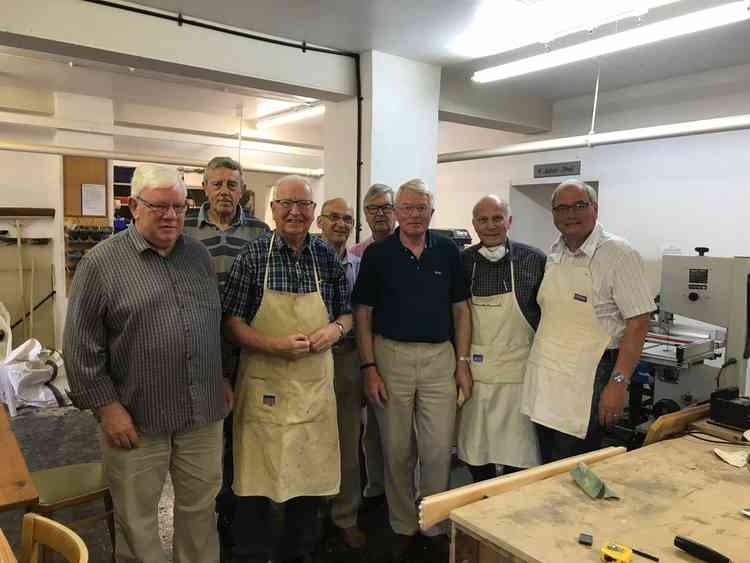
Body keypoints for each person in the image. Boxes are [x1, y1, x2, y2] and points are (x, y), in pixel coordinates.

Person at [64, 164, 231, 563]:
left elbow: (213, 324)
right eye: (159, 206)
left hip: (201, 413)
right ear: (133, 207)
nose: (172, 216)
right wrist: (107, 409)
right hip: (136, 418)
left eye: (179, 206)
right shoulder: (100, 263)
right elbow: (79, 347)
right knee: (137, 520)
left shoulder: (199, 257)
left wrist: (222, 376)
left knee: (200, 512)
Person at [223, 175, 353, 563]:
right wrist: (272, 345)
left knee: (308, 486)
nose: (295, 211)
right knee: (258, 486)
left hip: (313, 387)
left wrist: (334, 330)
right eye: (286, 204)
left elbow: (346, 313)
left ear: (314, 212)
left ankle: (300, 553)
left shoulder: (325, 256)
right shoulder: (253, 257)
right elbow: (231, 322)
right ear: (273, 209)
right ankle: (254, 554)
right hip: (265, 385)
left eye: (304, 204)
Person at [352, 178, 472, 559]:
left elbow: (461, 310)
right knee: (396, 447)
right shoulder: (378, 254)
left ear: (431, 213)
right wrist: (369, 366)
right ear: (396, 212)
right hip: (391, 358)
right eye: (406, 208)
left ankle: (433, 521)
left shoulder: (448, 252)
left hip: (440, 358)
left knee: (438, 449)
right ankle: (403, 523)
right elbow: (363, 313)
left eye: (421, 208)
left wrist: (463, 363)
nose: (414, 214)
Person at [522, 179, 654, 463]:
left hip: (591, 375)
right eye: (562, 208)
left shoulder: (619, 253)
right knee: (545, 463)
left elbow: (639, 322)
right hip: (547, 375)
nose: (571, 214)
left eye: (579, 205)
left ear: (595, 208)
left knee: (576, 465)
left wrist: (619, 383)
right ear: (554, 214)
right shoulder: (555, 252)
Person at [183, 156, 269, 561]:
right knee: (206, 439)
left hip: (250, 348)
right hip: (198, 351)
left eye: (231, 184)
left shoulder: (259, 231)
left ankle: (238, 515)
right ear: (203, 186)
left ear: (242, 188)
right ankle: (210, 515)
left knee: (245, 435)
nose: (224, 191)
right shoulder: (183, 230)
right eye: (216, 183)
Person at [457, 195, 546, 482]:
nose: (491, 225)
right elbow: (456, 315)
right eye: (483, 219)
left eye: (497, 218)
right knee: (475, 450)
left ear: (509, 221)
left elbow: (547, 315)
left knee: (518, 456)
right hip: (475, 374)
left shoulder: (533, 260)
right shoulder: (462, 262)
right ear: (473, 224)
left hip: (519, 376)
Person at [316, 197, 366, 549]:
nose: (340, 223)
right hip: (307, 360)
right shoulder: (305, 259)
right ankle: (309, 514)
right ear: (320, 221)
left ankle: (345, 516)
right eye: (334, 217)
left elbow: (364, 316)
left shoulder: (359, 265)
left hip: (347, 360)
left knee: (348, 442)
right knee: (307, 439)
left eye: (347, 219)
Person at [349, 183, 394, 502]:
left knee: (402, 432)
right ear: (365, 215)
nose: (380, 214)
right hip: (365, 348)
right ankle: (375, 487)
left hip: (398, 348)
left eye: (386, 207)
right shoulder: (357, 255)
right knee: (371, 428)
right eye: (373, 209)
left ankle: (402, 491)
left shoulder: (410, 247)